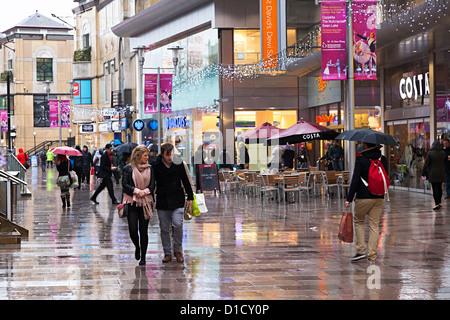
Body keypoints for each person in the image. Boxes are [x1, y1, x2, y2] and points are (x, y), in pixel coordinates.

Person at [345, 143, 388, 263]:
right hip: (379, 196)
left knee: (359, 222)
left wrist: (349, 198)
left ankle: (361, 250)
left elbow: (355, 179)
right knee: (374, 225)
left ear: (365, 145)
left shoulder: (361, 159)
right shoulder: (382, 159)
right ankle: (372, 255)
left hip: (363, 197)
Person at [151, 143, 194, 264]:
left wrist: (190, 196)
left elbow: (185, 180)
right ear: (162, 154)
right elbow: (152, 182)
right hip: (163, 200)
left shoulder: (178, 163)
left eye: (171, 154)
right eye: (167, 155)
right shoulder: (156, 165)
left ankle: (178, 250)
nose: (169, 157)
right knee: (164, 228)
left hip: (177, 199)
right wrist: (151, 197)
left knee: (177, 224)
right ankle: (167, 252)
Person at [122, 146, 155, 266]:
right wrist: (136, 191)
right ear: (138, 156)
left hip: (146, 202)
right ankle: (137, 246)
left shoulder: (150, 168)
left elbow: (153, 185)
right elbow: (124, 184)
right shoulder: (128, 168)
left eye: (147, 155)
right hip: (132, 201)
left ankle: (143, 257)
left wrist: (144, 192)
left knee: (143, 230)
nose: (147, 157)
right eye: (145, 155)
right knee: (132, 229)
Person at [422, 141, 446, 210]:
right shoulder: (442, 153)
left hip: (433, 173)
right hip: (441, 172)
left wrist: (423, 172)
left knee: (435, 188)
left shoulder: (430, 153)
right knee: (439, 187)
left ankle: (436, 203)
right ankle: (439, 202)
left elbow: (426, 164)